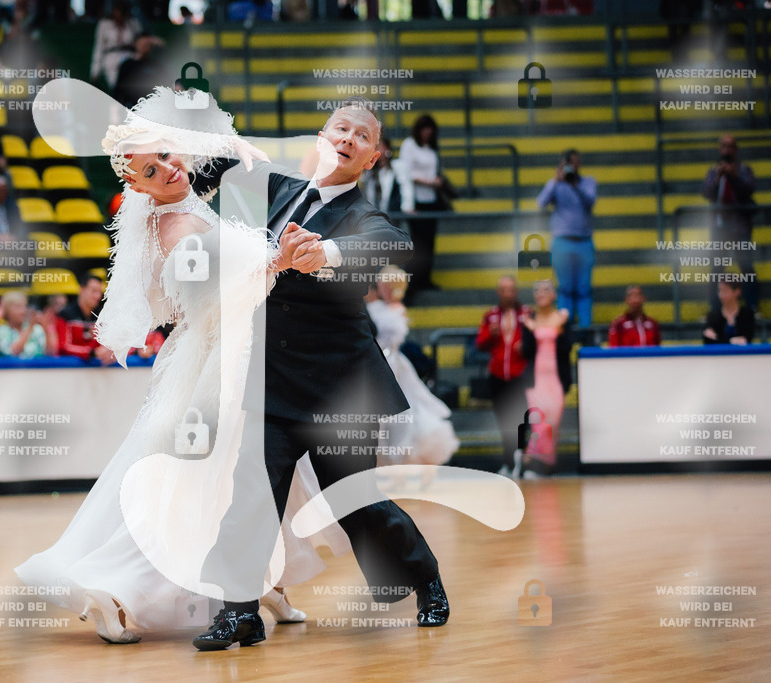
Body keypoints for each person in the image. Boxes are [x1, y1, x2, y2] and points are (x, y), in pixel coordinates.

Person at [16, 88, 332, 643]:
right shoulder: (174, 227)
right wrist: (277, 258)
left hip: (231, 353)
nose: (166, 168)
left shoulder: (184, 205)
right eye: (149, 168)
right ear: (133, 185)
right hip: (220, 362)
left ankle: (264, 581)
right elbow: (217, 295)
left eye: (166, 155)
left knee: (256, 477)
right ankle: (111, 589)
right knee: (204, 484)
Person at [198, 97, 448, 651]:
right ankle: (237, 613)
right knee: (252, 497)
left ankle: (424, 579)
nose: (349, 138)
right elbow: (217, 168)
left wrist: (327, 252)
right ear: (321, 136)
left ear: (372, 158)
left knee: (354, 500)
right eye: (341, 127)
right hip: (274, 380)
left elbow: (393, 245)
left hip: (339, 388)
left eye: (362, 136)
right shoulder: (278, 189)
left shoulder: (365, 216)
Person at [367, 265, 459, 488]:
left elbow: (392, 339)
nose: (380, 286)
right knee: (387, 425)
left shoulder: (396, 310)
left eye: (384, 283)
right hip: (382, 366)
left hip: (394, 367)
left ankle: (415, 470)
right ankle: (391, 472)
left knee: (406, 419)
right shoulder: (375, 306)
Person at [476, 275, 531, 477]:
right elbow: (480, 344)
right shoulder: (491, 316)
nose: (508, 294)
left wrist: (526, 347)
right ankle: (509, 462)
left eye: (511, 289)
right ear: (499, 292)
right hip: (498, 375)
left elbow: (536, 343)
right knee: (503, 421)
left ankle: (522, 462)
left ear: (516, 292)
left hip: (519, 375)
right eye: (504, 290)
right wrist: (491, 335)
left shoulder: (526, 314)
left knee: (522, 420)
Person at [517, 279, 572, 479]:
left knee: (553, 423)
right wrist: (531, 330)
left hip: (556, 379)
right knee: (539, 422)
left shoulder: (563, 318)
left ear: (554, 295)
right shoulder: (529, 320)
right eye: (537, 290)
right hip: (536, 379)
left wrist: (559, 329)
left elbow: (567, 348)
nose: (541, 293)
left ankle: (547, 464)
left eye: (546, 290)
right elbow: (526, 351)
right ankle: (530, 461)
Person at [536, 148, 597, 327]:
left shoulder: (588, 183)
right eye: (570, 163)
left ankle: (586, 327)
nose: (574, 166)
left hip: (584, 242)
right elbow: (541, 203)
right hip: (562, 242)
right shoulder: (556, 184)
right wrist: (556, 180)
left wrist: (574, 186)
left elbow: (590, 202)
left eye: (576, 162)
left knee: (584, 288)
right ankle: (566, 326)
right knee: (565, 288)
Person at [398, 114, 454, 293]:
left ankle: (425, 278)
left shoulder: (432, 147)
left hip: (431, 199)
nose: (427, 133)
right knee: (418, 242)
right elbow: (405, 172)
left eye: (430, 130)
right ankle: (414, 279)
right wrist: (429, 182)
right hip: (415, 200)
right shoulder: (409, 145)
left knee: (429, 241)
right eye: (424, 129)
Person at [703, 134, 757, 311]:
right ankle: (715, 309)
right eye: (724, 146)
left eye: (730, 146)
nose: (727, 150)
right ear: (720, 149)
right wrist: (719, 177)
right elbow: (707, 193)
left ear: (736, 149)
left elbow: (749, 189)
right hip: (719, 228)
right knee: (717, 268)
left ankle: (751, 307)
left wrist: (734, 177)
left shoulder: (744, 171)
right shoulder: (713, 171)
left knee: (746, 267)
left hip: (739, 228)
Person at [55, 273, 115, 363]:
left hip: (97, 372)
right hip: (69, 371)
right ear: (81, 289)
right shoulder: (65, 314)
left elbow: (107, 345)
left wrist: (108, 350)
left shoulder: (102, 316)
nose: (97, 296)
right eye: (94, 291)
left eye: (99, 292)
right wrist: (91, 353)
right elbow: (62, 347)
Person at [90, 0, 142, 92]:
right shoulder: (104, 25)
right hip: (112, 58)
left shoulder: (133, 24)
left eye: (121, 13)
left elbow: (140, 42)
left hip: (129, 57)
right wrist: (95, 72)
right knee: (115, 86)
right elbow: (98, 48)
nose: (118, 16)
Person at [112, 33, 168, 109]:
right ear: (135, 44)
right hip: (132, 107)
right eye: (143, 44)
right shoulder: (127, 64)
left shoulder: (155, 65)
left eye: (147, 45)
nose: (145, 46)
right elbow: (118, 91)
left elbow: (167, 83)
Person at [0, 290, 56, 358]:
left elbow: (51, 353)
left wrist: (47, 329)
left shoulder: (37, 329)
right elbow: (13, 352)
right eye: (18, 307)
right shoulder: (1, 330)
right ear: (6, 310)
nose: (23, 311)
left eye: (25, 306)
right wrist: (30, 328)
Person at [360, 137, 412, 215]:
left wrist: (407, 206)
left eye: (380, 147)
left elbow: (406, 187)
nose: (378, 151)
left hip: (393, 213)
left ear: (388, 149)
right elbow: (364, 189)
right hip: (373, 215)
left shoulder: (397, 166)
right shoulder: (369, 170)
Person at [702, 280, 754, 345]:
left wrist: (718, 339)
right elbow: (708, 340)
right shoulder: (712, 316)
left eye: (724, 291)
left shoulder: (747, 314)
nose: (721, 295)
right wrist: (731, 341)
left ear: (737, 291)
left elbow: (746, 339)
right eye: (719, 291)